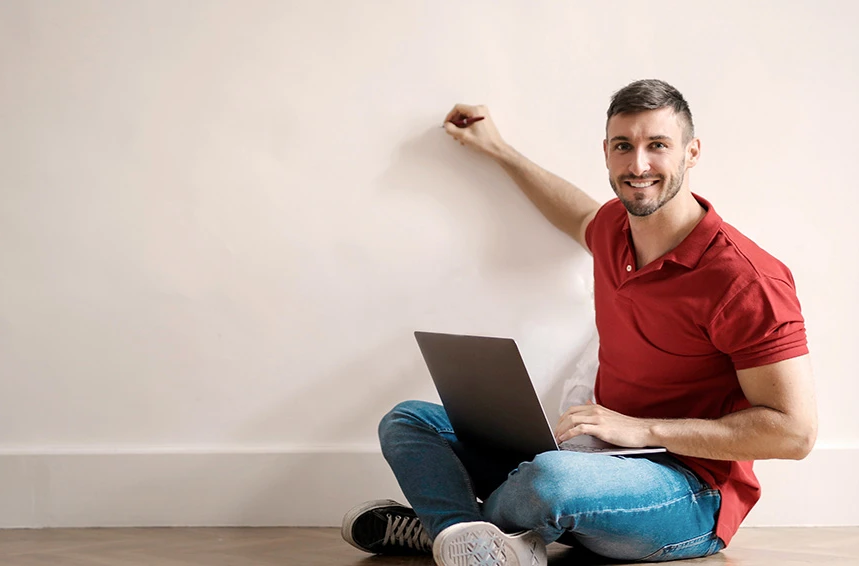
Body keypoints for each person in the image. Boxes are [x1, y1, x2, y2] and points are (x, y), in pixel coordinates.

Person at [340, 79, 817, 566]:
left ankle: (446, 526)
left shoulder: (747, 280)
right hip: (596, 456)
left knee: (551, 480)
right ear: (606, 153)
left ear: (692, 152)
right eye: (623, 146)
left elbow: (793, 432)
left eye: (658, 146)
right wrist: (499, 150)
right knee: (409, 420)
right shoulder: (614, 227)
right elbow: (576, 212)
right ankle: (465, 538)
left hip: (689, 495)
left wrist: (645, 430)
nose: (638, 165)